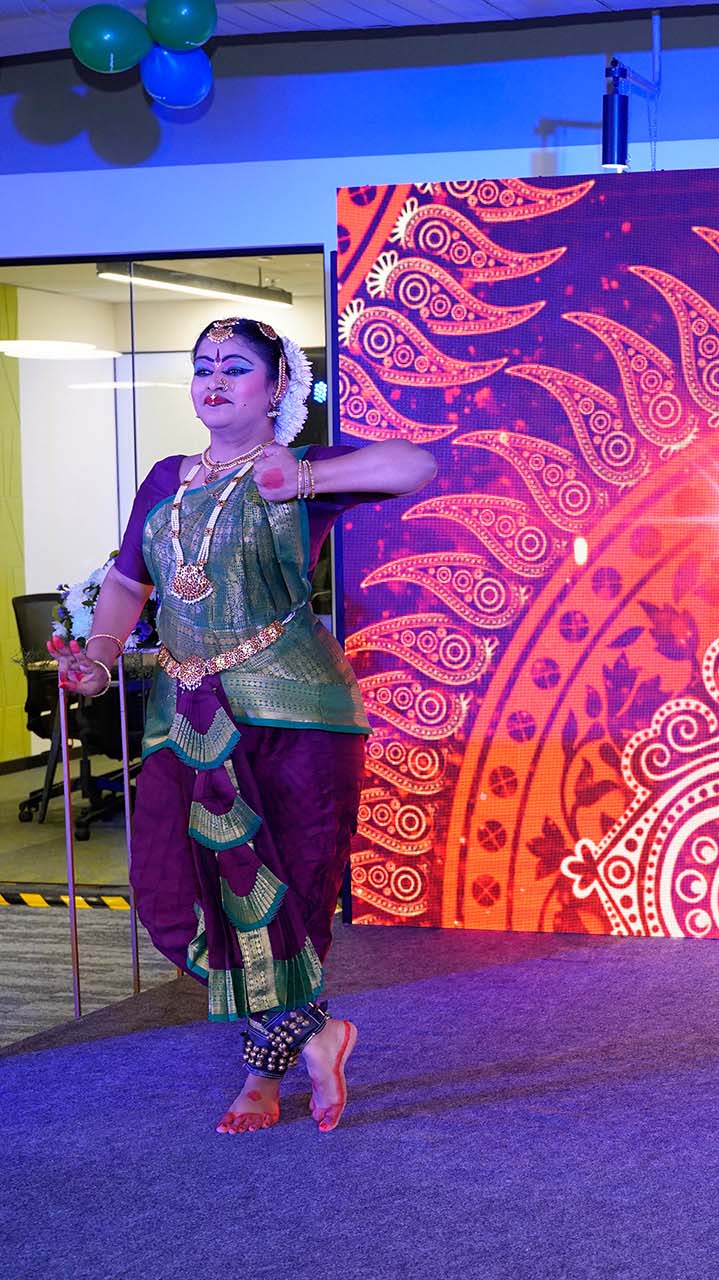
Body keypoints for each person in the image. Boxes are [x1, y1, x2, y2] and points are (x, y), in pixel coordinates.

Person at [53, 316, 437, 1133]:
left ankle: (261, 1074)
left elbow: (416, 466)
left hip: (296, 710)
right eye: (201, 368)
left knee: (285, 894)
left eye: (235, 368)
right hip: (183, 712)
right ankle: (320, 1033)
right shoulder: (165, 477)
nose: (214, 381)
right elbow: (128, 583)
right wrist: (100, 654)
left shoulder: (300, 467)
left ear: (277, 389)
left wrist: (298, 481)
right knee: (172, 896)